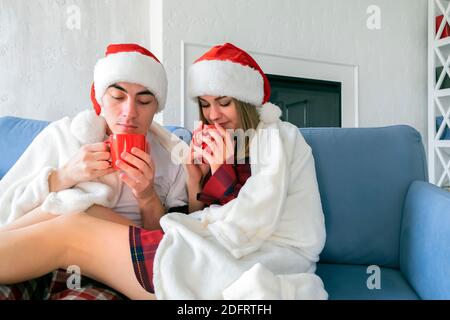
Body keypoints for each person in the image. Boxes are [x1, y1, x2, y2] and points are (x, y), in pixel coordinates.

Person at [0, 43, 327, 300]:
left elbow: (248, 225)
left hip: (246, 261)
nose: (214, 115)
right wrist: (196, 181)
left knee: (70, 228)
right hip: (209, 250)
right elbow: (210, 220)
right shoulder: (65, 136)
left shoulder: (276, 136)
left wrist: (216, 171)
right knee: (82, 209)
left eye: (224, 102)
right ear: (100, 99)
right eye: (205, 103)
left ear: (245, 101)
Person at [0, 43, 188, 300]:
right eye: (118, 97)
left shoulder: (173, 158)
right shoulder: (63, 136)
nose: (129, 113)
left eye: (144, 101)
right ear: (100, 99)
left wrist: (147, 196)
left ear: (156, 107)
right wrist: (64, 175)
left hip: (106, 274)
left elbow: (159, 250)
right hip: (33, 257)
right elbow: (7, 205)